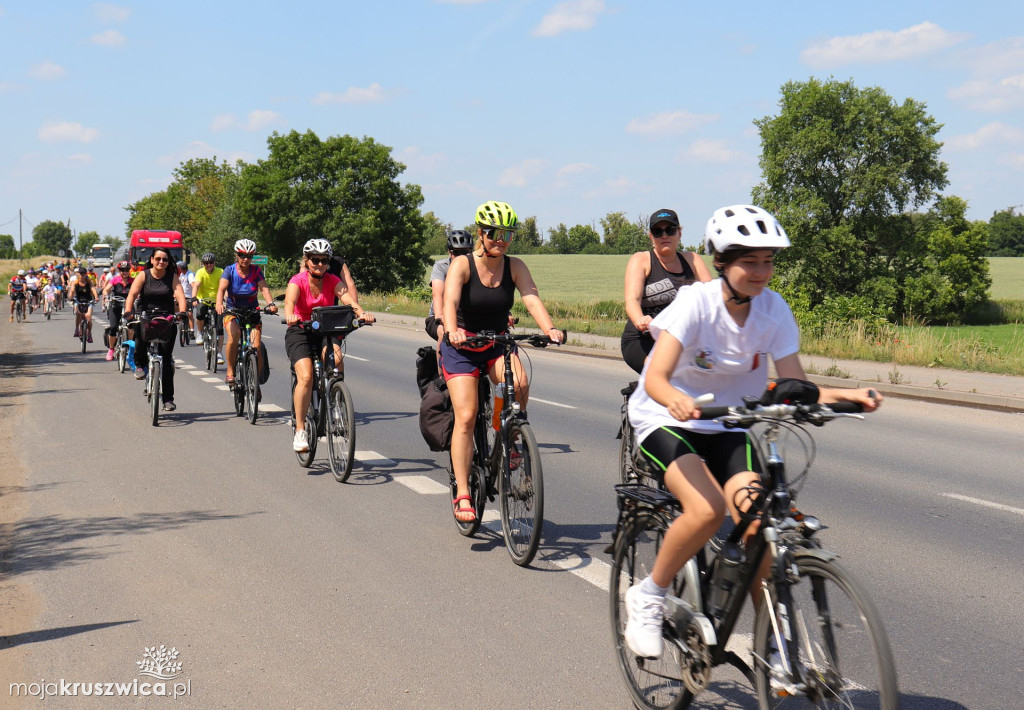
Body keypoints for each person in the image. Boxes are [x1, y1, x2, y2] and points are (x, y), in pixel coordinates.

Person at [621, 204, 883, 660]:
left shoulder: (773, 309)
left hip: (728, 422)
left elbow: (794, 385)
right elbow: (658, 376)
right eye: (750, 260)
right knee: (705, 510)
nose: (761, 271)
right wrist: (674, 399)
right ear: (721, 261)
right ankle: (649, 594)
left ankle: (775, 639)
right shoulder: (695, 304)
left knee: (760, 527)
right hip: (668, 420)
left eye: (768, 260)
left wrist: (848, 395)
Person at [441, 201, 564, 523]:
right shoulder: (463, 265)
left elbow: (531, 297)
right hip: (463, 345)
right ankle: (464, 492)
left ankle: (507, 435)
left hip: (496, 341)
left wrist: (548, 328)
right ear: (481, 232)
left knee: (519, 384)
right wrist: (452, 331)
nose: (502, 239)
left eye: (508, 234)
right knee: (466, 417)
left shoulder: (515, 266)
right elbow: (450, 301)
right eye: (496, 233)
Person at [284, 239, 375, 453]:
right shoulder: (297, 280)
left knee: (337, 360)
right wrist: (290, 315)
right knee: (306, 377)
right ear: (307, 261)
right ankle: (300, 430)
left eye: (324, 261)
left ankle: (335, 399)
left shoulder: (333, 280)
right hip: (300, 330)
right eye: (315, 260)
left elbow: (348, 299)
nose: (319, 264)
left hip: (324, 330)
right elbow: (289, 302)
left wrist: (362, 314)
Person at [622, 208, 713, 374]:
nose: (664, 236)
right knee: (661, 374)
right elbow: (632, 300)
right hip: (644, 339)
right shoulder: (642, 260)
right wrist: (640, 320)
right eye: (658, 232)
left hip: (682, 340)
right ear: (651, 236)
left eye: (670, 230)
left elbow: (713, 298)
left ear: (679, 233)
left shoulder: (692, 259)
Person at [123, 247, 188, 411]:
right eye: (158, 259)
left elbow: (180, 296)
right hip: (146, 315)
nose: (161, 262)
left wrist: (181, 312)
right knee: (139, 335)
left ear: (168, 262)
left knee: (166, 358)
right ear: (151, 259)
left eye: (164, 260)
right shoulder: (143, 275)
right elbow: (132, 294)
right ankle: (140, 366)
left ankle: (168, 399)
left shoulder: (172, 277)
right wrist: (129, 312)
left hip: (166, 317)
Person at [216, 239, 278, 389]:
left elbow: (264, 289)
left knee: (257, 348)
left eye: (249, 256)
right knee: (234, 335)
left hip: (252, 311)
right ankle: (230, 371)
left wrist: (271, 304)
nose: (245, 259)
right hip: (233, 310)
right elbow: (221, 289)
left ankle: (255, 384)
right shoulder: (229, 270)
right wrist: (219, 303)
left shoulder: (256, 271)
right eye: (242, 255)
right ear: (236, 255)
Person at [425, 230, 474, 341]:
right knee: (444, 334)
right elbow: (437, 293)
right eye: (456, 253)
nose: (461, 257)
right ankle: (441, 358)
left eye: (465, 252)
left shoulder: (476, 268)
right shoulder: (442, 266)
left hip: (466, 318)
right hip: (439, 316)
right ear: (449, 252)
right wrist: (439, 316)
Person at [193, 252, 225, 364]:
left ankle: (219, 353)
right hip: (204, 300)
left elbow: (224, 286)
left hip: (217, 301)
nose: (209, 265)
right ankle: (200, 332)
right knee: (200, 313)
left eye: (211, 263)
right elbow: (196, 285)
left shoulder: (220, 271)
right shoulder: (200, 272)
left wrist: (226, 299)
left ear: (214, 263)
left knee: (220, 327)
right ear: (203, 264)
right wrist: (193, 298)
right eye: (206, 263)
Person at [101, 261, 134, 361]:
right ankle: (111, 349)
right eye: (122, 270)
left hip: (129, 306)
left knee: (131, 326)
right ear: (119, 271)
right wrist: (106, 296)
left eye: (127, 270)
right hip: (116, 304)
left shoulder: (133, 281)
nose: (124, 272)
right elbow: (106, 289)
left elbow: (139, 290)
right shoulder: (115, 280)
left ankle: (129, 346)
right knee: (113, 327)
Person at [69, 266, 99, 341]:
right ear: (78, 274)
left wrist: (96, 297)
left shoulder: (89, 282)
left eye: (83, 274)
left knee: (88, 317)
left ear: (86, 274)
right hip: (78, 300)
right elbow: (72, 291)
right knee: (78, 313)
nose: (82, 276)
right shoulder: (75, 282)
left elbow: (93, 289)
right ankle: (76, 329)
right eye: (80, 274)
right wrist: (70, 297)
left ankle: (89, 333)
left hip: (88, 301)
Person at [176, 260, 196, 338]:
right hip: (181, 296)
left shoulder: (190, 275)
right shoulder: (180, 275)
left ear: (181, 268)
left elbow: (193, 285)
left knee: (190, 313)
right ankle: (180, 323)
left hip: (189, 297)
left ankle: (191, 330)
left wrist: (194, 297)